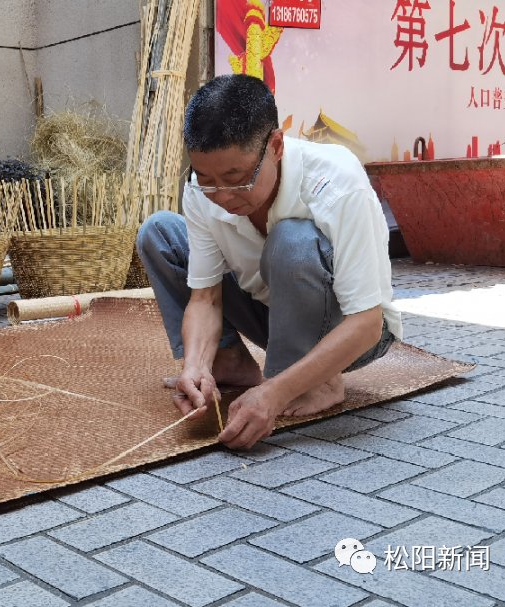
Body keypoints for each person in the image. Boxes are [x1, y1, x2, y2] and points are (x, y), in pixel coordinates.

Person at [137, 74, 400, 450]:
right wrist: (193, 365)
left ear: (276, 145)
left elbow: (368, 324)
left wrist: (274, 394)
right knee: (159, 232)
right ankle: (227, 362)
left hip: (352, 333)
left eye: (236, 178)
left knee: (292, 239)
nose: (222, 196)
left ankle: (313, 380)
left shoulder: (336, 181)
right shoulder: (203, 190)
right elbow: (205, 298)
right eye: (207, 179)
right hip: (272, 313)